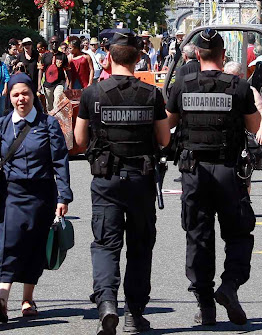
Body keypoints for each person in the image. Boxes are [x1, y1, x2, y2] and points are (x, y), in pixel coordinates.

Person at [74, 32, 170, 335]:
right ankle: (135, 314)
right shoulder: (152, 94)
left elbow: (78, 140)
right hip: (140, 178)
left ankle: (106, 304)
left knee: (105, 244)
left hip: (106, 178)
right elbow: (164, 139)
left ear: (109, 57)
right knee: (140, 247)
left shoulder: (92, 94)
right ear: (139, 58)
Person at [166, 28, 260, 327]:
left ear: (196, 55)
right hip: (228, 171)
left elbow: (167, 125)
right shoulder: (238, 86)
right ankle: (230, 285)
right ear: (223, 55)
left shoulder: (182, 85)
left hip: (193, 172)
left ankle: (205, 306)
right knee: (239, 233)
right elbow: (256, 125)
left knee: (198, 237)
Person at [0, 73, 72, 323]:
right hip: (11, 194)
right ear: (9, 97)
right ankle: (2, 300)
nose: (21, 98)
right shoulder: (3, 124)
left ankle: (27, 299)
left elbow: (60, 161)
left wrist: (64, 196)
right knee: (8, 244)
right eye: (15, 94)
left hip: (42, 195)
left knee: (35, 246)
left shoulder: (48, 124)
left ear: (34, 95)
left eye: (25, 93)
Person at [39, 36, 69, 113]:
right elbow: (41, 69)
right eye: (52, 42)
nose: (54, 44)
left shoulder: (63, 56)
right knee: (49, 105)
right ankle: (50, 120)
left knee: (57, 101)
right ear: (50, 43)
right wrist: (39, 84)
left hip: (59, 83)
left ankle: (57, 120)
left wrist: (69, 83)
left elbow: (67, 70)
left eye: (56, 42)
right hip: (48, 84)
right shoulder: (45, 56)